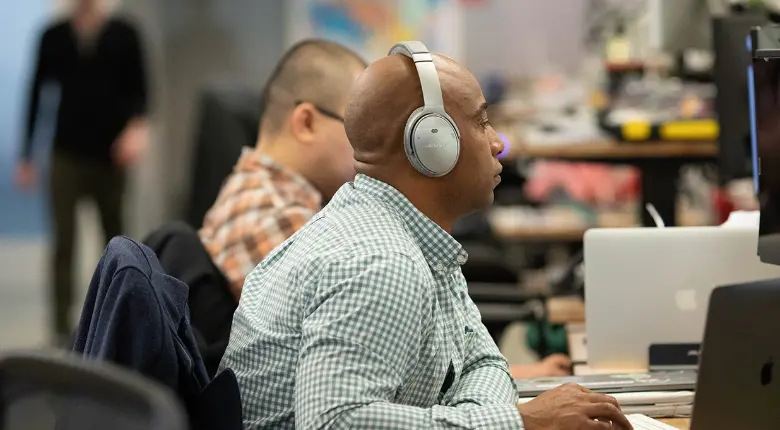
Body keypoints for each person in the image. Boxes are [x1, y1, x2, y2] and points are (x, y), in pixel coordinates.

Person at [221, 42, 631, 429]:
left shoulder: (415, 235)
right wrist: (518, 422)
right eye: (481, 121)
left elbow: (483, 363)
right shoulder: (380, 261)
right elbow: (334, 423)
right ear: (431, 143)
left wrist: (476, 416)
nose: (498, 143)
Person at [16, 0, 148, 342]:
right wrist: (28, 155)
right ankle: (61, 325)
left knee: (117, 238)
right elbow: (37, 94)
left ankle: (121, 317)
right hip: (66, 154)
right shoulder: (53, 36)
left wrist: (136, 129)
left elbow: (141, 90)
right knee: (64, 241)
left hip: (111, 156)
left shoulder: (125, 34)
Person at [199, 39, 367, 300]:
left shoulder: (261, 196)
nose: (369, 145)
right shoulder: (272, 215)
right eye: (359, 127)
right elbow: (361, 318)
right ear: (307, 123)